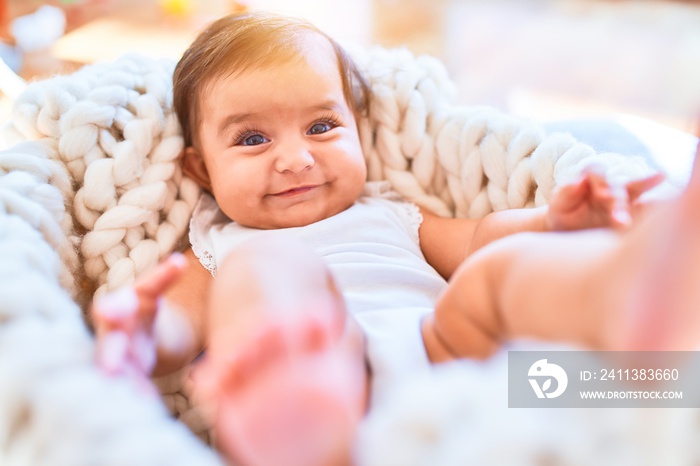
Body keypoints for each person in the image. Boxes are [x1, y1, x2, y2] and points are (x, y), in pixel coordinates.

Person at [91, 10, 695, 466]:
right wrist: (148, 335)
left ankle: (623, 297)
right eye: (253, 139)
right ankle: (293, 410)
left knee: (496, 272)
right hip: (332, 391)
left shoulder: (392, 210)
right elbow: (179, 326)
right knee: (271, 267)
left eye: (322, 126)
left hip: (445, 351)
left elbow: (479, 239)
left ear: (358, 130)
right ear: (200, 170)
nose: (297, 158)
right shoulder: (220, 247)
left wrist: (551, 224)